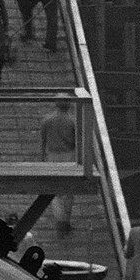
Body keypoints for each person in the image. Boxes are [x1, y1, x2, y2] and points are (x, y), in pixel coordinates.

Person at [39, 93, 78, 235]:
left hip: (52, 156)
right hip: (69, 156)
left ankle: (60, 220)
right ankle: (66, 220)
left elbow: (43, 140)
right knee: (68, 191)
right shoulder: (73, 120)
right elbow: (77, 141)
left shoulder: (47, 120)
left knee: (54, 191)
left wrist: (42, 156)